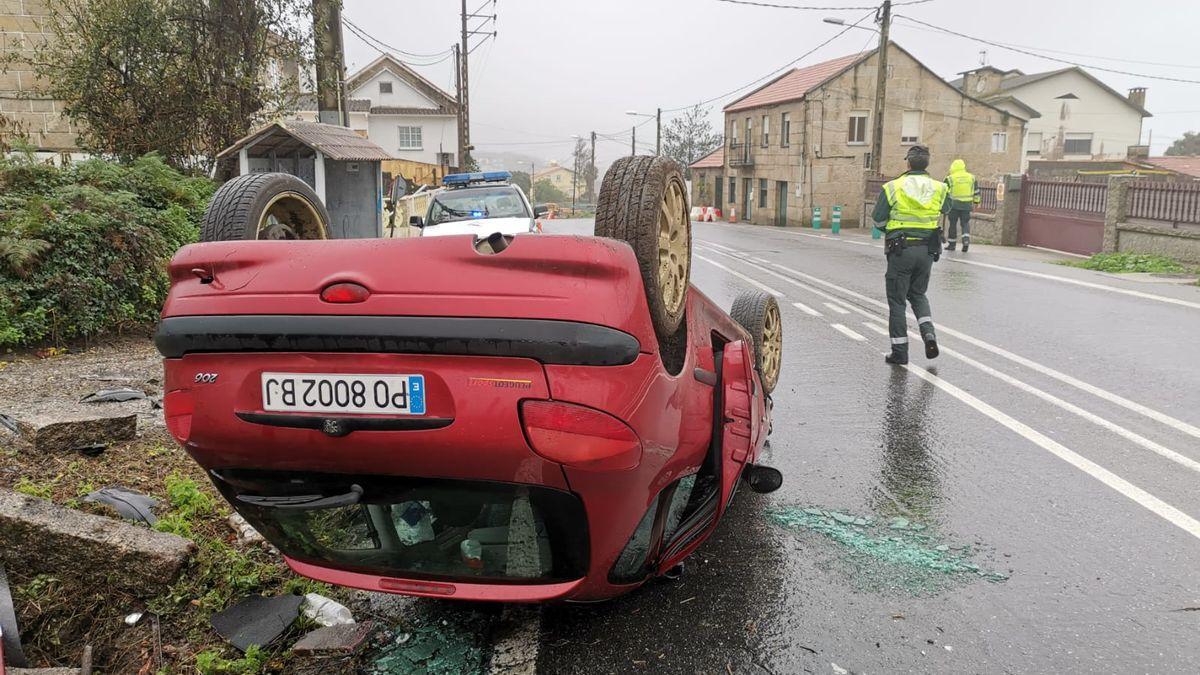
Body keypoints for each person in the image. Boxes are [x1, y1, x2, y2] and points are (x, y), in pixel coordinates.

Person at [871, 145, 950, 365]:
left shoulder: (893, 187)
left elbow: (877, 219)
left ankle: (900, 352)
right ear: (927, 163)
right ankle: (929, 334)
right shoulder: (939, 188)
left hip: (901, 249)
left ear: (908, 163)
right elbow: (947, 208)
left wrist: (893, 230)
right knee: (918, 294)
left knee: (897, 301)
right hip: (927, 250)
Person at [943, 158, 980, 252]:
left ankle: (952, 244)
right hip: (967, 205)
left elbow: (944, 192)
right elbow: (976, 191)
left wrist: (943, 204)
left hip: (953, 205)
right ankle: (966, 241)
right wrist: (976, 202)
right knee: (965, 223)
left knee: (952, 224)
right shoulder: (971, 177)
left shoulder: (950, 178)